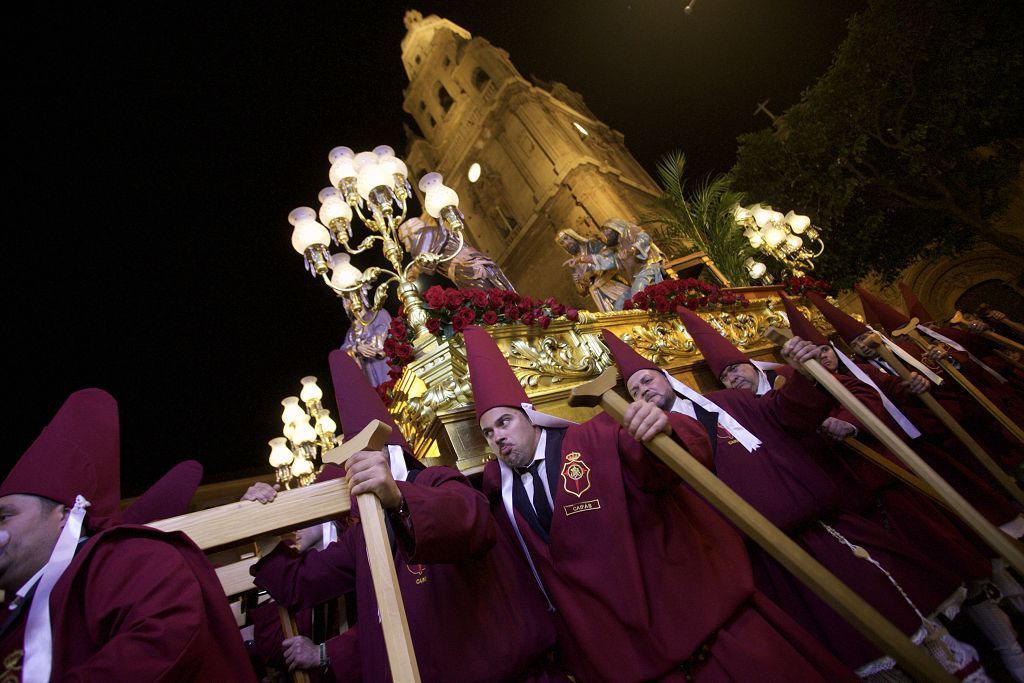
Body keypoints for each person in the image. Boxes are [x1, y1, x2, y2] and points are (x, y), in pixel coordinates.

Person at [465, 325, 855, 683]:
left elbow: (657, 460)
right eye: (487, 432)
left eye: (504, 422)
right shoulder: (504, 498)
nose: (497, 437)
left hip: (703, 624)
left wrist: (664, 428)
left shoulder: (595, 439)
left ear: (532, 418)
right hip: (634, 656)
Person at [629, 308, 993, 679]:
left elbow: (789, 414)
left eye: (646, 380)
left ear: (666, 377)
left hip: (828, 531)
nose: (643, 389)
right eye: (634, 390)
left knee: (904, 614)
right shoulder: (651, 445)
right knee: (855, 649)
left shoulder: (731, 402)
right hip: (772, 564)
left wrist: (805, 375)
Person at [251, 350, 566, 683]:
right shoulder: (362, 534)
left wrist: (398, 498)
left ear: (389, 454)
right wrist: (263, 529)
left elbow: (468, 519)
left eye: (367, 455)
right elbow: (302, 582)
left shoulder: (436, 481)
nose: (356, 470)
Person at [776, 294, 1024, 680]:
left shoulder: (859, 375)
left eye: (825, 351)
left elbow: (876, 395)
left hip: (913, 473)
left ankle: (1013, 632)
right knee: (944, 574)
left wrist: (912, 386)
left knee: (974, 550)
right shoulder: (792, 396)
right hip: (876, 502)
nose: (822, 359)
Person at [0, 389, 255, 681]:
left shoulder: (130, 558)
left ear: (63, 515)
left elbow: (164, 637)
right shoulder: (12, 609)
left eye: (5, 517)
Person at [398, 216, 516, 291]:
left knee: (490, 300)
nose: (407, 248)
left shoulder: (425, 235)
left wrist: (412, 273)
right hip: (472, 265)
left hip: (467, 269)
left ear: (410, 234)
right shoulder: (435, 232)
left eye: (404, 241)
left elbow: (422, 258)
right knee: (499, 294)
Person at [588, 217, 665, 309]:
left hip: (648, 268)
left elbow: (644, 238)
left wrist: (632, 249)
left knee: (637, 297)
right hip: (636, 278)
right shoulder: (619, 248)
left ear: (614, 228)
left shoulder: (630, 231)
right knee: (619, 306)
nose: (605, 236)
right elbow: (609, 262)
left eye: (606, 230)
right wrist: (582, 259)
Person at [554, 228, 628, 312]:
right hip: (599, 296)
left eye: (566, 238)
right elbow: (582, 292)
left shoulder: (592, 245)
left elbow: (609, 258)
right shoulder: (573, 264)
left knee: (629, 306)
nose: (566, 243)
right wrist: (579, 283)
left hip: (613, 284)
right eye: (562, 243)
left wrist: (591, 272)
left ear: (573, 236)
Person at [340, 286, 392, 387]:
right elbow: (342, 353)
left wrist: (363, 348)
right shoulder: (351, 332)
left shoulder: (378, 314)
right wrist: (356, 348)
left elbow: (377, 343)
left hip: (385, 366)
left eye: (353, 297)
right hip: (368, 375)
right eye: (346, 300)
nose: (350, 302)